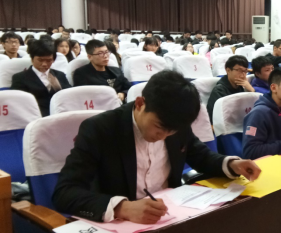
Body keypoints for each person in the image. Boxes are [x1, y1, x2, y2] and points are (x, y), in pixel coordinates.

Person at [53, 71, 261, 224]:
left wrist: (231, 164)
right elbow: (65, 192)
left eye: (172, 131)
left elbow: (200, 156)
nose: (164, 136)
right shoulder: (100, 129)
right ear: (140, 103)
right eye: (160, 127)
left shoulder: (176, 124)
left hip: (169, 218)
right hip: (121, 226)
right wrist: (122, 208)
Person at [11, 40, 71, 117]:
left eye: (49, 60)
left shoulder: (60, 75)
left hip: (62, 115)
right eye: (40, 60)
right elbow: (18, 104)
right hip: (35, 117)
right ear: (32, 59)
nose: (44, 64)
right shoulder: (20, 78)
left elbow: (69, 96)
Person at [207, 55, 255, 123]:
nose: (243, 75)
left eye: (245, 71)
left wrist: (251, 91)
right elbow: (219, 117)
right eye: (239, 70)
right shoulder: (219, 90)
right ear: (228, 70)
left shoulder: (241, 87)